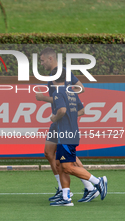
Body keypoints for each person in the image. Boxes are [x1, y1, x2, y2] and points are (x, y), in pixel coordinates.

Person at [35, 47, 98, 203]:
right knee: (49, 153)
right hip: (59, 119)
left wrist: (46, 98)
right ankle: (64, 189)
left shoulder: (62, 72)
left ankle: (90, 186)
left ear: (50, 58)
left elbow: (81, 89)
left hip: (61, 119)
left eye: (42, 60)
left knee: (66, 156)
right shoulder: (53, 74)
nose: (41, 63)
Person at [49, 67, 107, 206]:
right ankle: (66, 198)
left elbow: (62, 110)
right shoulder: (71, 92)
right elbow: (81, 110)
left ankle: (98, 182)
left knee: (68, 167)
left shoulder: (58, 92)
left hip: (66, 134)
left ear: (54, 78)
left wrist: (54, 117)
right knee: (60, 165)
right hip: (71, 132)